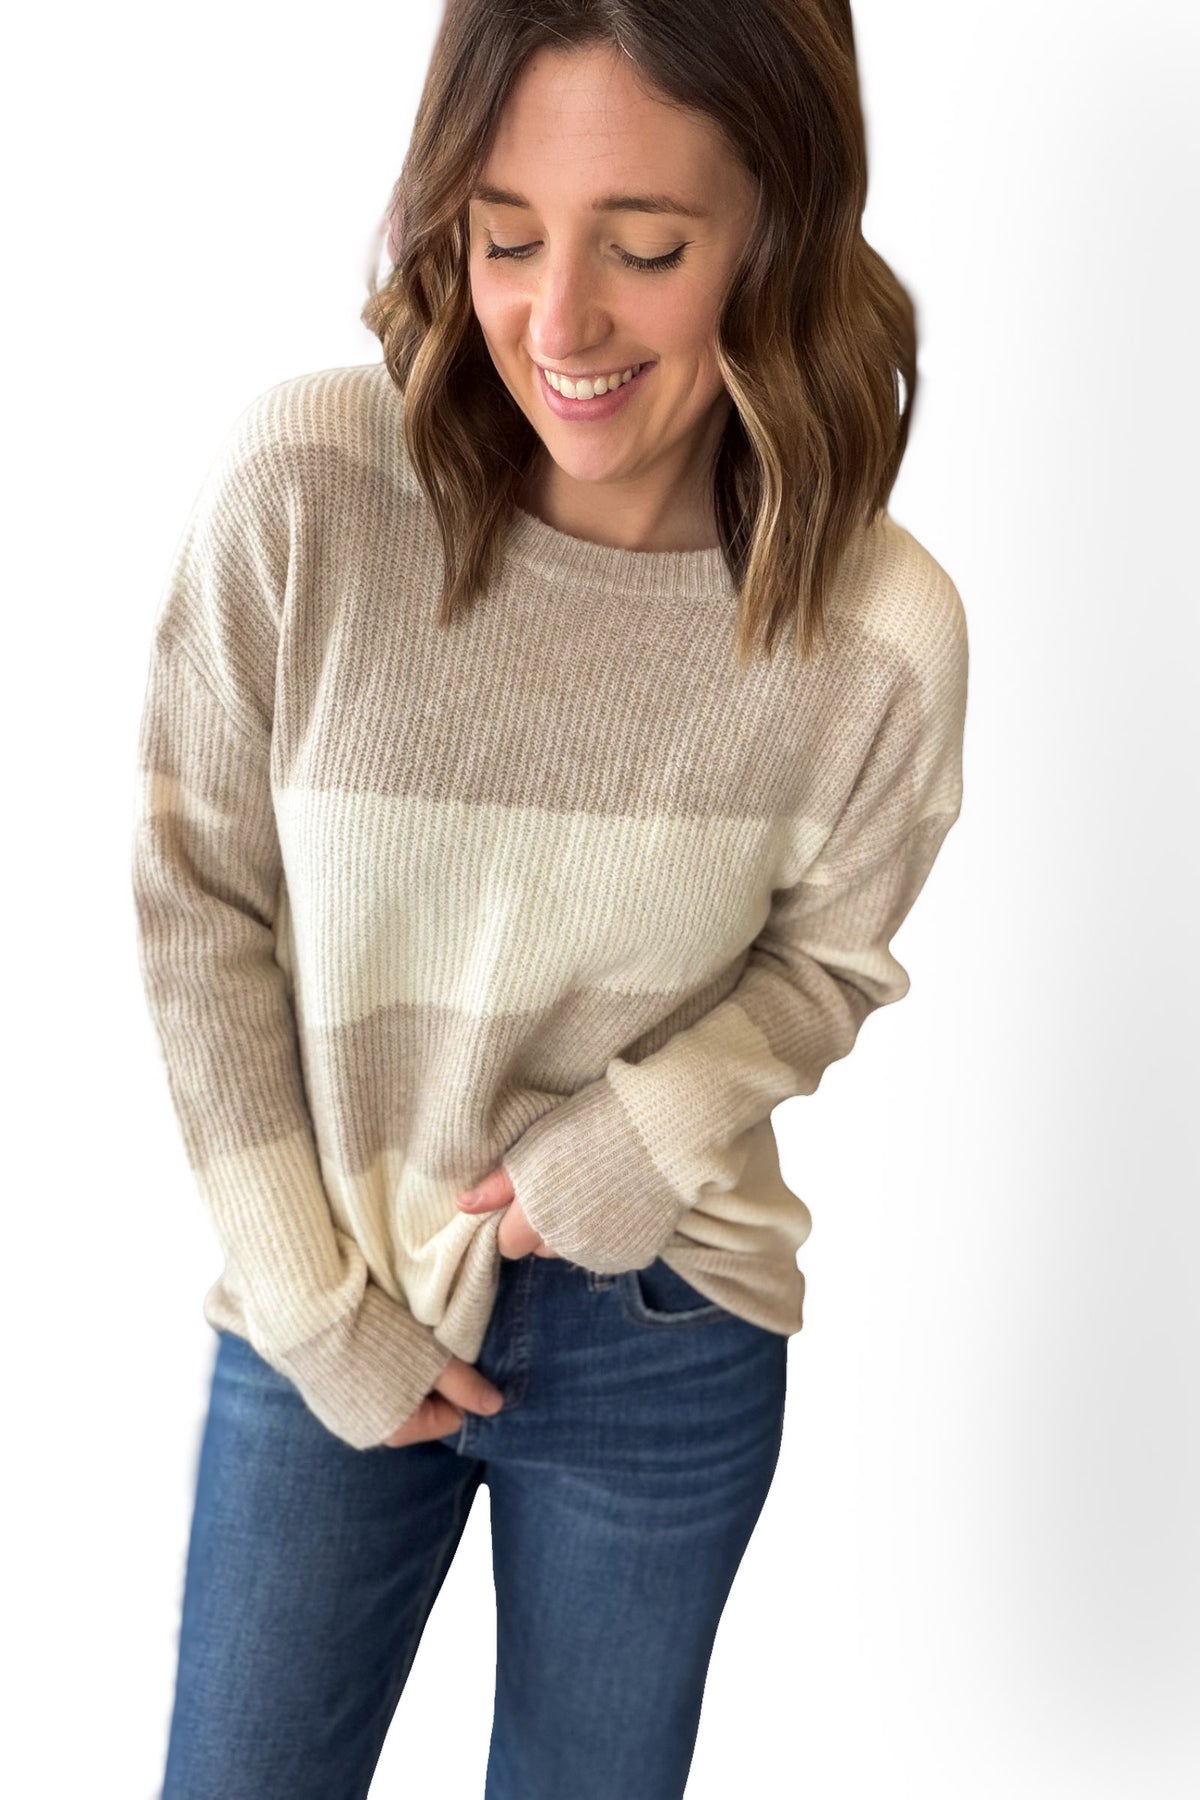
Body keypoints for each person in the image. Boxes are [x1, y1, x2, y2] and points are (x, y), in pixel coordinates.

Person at [130, 2, 969, 1795]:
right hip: (327, 1291)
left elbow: (827, 963)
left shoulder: (877, 631)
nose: (559, 321)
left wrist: (641, 1135)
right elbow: (197, 898)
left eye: (645, 248)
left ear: (778, 225)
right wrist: (309, 1297)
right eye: (504, 233)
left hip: (665, 1318)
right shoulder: (306, 496)